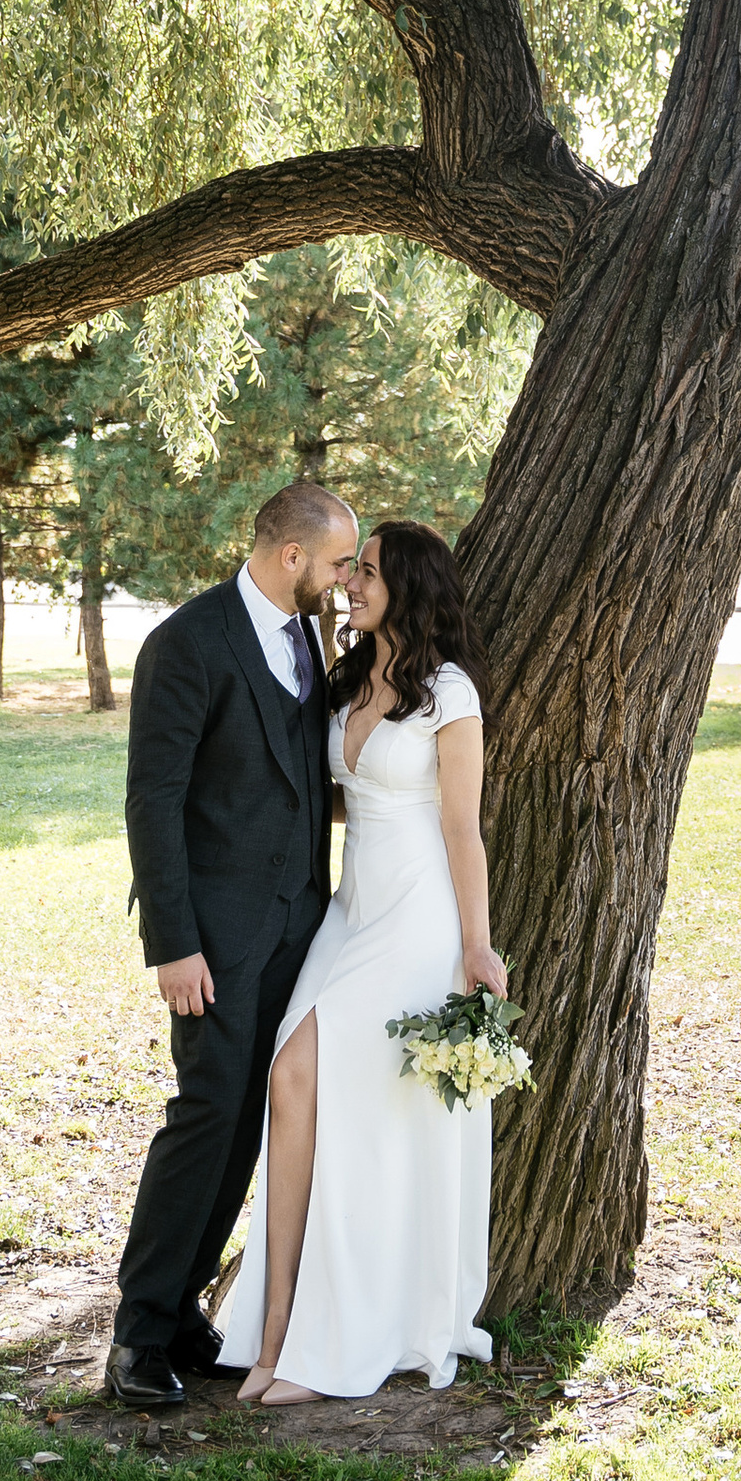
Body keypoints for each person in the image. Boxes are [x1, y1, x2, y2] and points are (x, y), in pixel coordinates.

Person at [219, 520, 506, 1405]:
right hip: (350, 914)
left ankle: (328, 1339)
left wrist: (477, 943)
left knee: (339, 1100)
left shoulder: (449, 694)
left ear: (408, 586)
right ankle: (271, 1331)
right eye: (351, 569)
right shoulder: (344, 676)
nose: (351, 583)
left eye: (368, 571)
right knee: (291, 1080)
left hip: (418, 921)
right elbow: (333, 801)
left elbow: (463, 828)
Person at [103, 478, 360, 1410]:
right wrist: (173, 945)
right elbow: (153, 800)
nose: (343, 578)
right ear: (292, 556)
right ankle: (137, 1333)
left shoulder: (304, 634)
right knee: (208, 1113)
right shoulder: (186, 643)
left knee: (254, 1118)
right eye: (337, 562)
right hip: (211, 939)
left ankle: (181, 1315)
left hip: (299, 925)